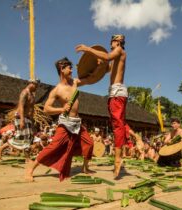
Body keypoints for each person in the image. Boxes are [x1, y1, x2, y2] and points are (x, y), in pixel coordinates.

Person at [25, 57, 96, 182]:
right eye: (69, 68)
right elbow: (46, 108)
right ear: (62, 70)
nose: (72, 70)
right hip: (65, 123)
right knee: (54, 146)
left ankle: (85, 167)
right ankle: (31, 168)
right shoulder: (57, 90)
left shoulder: (74, 82)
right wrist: (62, 109)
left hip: (77, 123)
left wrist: (101, 67)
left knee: (89, 143)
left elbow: (90, 79)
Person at [76, 34, 127, 178]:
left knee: (118, 126)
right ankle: (120, 156)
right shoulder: (114, 56)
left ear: (117, 42)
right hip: (114, 93)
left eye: (113, 40)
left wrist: (88, 49)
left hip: (118, 92)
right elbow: (104, 69)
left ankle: (118, 160)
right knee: (118, 124)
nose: (111, 42)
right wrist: (95, 65)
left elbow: (107, 57)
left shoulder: (119, 51)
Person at [0, 79, 39, 161]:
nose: (36, 88)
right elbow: (21, 107)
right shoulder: (24, 93)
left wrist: (32, 121)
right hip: (21, 117)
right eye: (36, 85)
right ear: (31, 83)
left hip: (28, 118)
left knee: (29, 137)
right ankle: (1, 148)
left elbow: (32, 109)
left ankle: (27, 157)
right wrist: (22, 120)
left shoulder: (32, 95)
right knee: (19, 136)